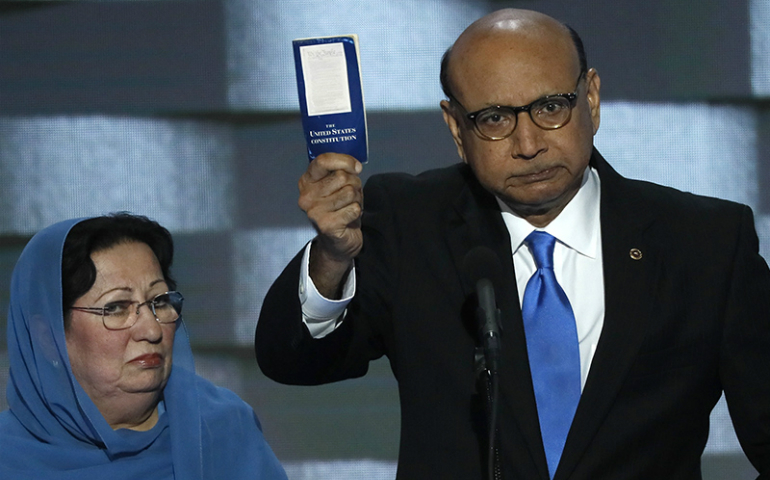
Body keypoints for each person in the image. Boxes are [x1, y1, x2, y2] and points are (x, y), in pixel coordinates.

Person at [256, 8, 770, 480]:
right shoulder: (408, 223)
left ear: (590, 97)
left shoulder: (704, 244)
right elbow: (292, 361)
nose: (529, 145)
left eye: (550, 107)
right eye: (495, 119)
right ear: (457, 128)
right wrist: (332, 257)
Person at [0, 213, 288, 480]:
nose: (151, 330)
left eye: (160, 302)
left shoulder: (222, 429)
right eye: (115, 308)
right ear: (47, 337)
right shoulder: (8, 458)